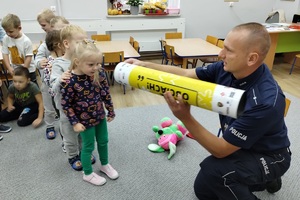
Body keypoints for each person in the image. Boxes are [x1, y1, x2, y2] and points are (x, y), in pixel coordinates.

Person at [125, 22, 291, 200]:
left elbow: (220, 150)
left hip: (270, 155)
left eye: (229, 50)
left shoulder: (266, 101)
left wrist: (185, 117)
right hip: (242, 144)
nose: (221, 55)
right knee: (204, 190)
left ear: (251, 59)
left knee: (216, 175)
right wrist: (144, 65)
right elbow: (186, 74)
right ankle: (263, 180)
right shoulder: (228, 68)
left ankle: (268, 174)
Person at [60, 40, 118, 185]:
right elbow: (65, 104)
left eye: (98, 63)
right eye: (91, 65)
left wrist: (110, 110)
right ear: (77, 62)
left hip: (100, 116)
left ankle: (104, 165)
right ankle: (88, 173)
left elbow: (105, 93)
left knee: (104, 141)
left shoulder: (100, 73)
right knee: (88, 146)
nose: (96, 67)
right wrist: (75, 122)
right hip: (84, 122)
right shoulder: (70, 81)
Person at [50, 24, 95, 171]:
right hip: (66, 111)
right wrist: (60, 79)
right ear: (66, 43)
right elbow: (52, 87)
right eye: (79, 42)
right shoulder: (58, 64)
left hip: (83, 108)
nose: (83, 45)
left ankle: (84, 152)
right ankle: (73, 156)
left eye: (85, 42)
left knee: (83, 133)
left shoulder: (83, 61)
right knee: (70, 137)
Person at [1, 14, 37, 85]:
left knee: (32, 90)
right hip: (15, 70)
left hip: (28, 70)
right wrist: (9, 67)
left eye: (11, 31)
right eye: (6, 31)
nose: (8, 34)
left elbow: (28, 57)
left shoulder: (26, 41)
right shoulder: (6, 38)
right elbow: (5, 53)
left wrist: (22, 71)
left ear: (19, 28)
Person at [42, 29, 65, 139]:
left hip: (69, 96)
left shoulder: (64, 59)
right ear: (59, 45)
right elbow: (49, 83)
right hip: (58, 98)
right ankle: (66, 142)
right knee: (64, 121)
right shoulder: (50, 63)